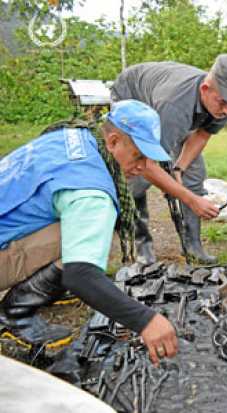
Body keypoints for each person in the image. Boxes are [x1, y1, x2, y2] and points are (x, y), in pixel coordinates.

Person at [0, 100, 177, 367]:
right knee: (89, 234)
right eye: (139, 155)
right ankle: (15, 316)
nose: (143, 167)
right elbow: (80, 273)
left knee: (83, 227)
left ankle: (33, 294)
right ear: (114, 141)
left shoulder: (73, 135)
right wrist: (146, 320)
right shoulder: (92, 193)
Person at [110, 54, 227, 265]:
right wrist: (190, 199)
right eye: (223, 103)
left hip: (174, 111)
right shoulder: (174, 106)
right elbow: (146, 164)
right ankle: (142, 244)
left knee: (194, 173)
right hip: (134, 94)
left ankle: (193, 245)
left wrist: (178, 169)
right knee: (136, 178)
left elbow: (202, 135)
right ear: (205, 89)